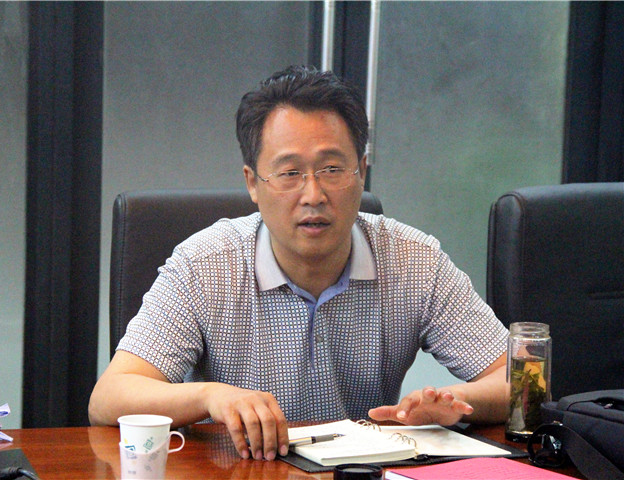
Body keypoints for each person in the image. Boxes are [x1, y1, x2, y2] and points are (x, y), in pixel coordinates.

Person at [88, 65, 509, 462]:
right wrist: (212, 397)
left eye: (332, 169)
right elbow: (109, 397)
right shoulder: (205, 266)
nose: (313, 195)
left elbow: (521, 380)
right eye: (290, 173)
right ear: (253, 183)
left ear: (361, 171)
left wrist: (452, 403)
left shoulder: (414, 260)